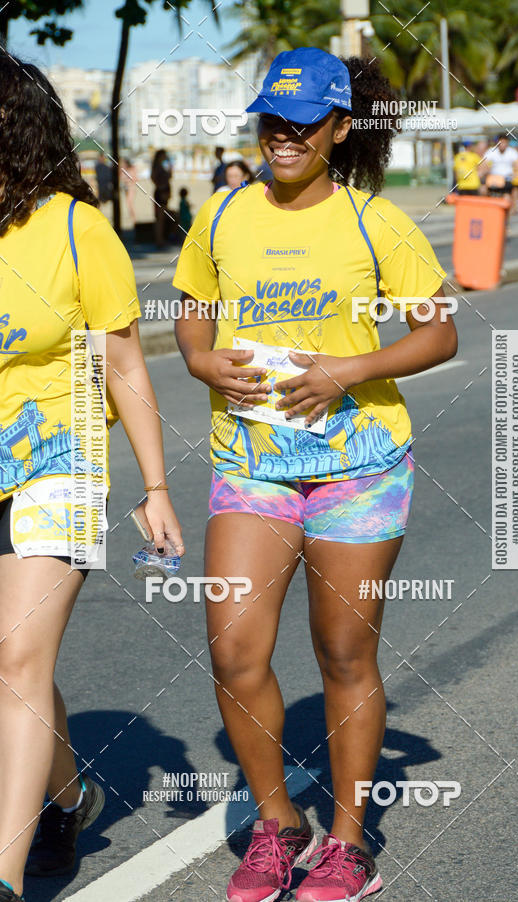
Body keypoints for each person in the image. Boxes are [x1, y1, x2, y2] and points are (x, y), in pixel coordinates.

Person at [173, 47, 457, 902]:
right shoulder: (221, 216)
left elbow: (438, 331)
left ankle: (346, 844)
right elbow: (191, 319)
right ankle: (275, 827)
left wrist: (346, 368)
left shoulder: (376, 221)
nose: (284, 135)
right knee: (234, 649)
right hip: (253, 461)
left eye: (303, 122)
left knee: (342, 652)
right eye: (272, 118)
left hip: (357, 465)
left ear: (340, 127)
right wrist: (202, 364)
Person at [0, 56, 185, 902]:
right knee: (7, 667)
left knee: (16, 657)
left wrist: (155, 488)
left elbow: (122, 366)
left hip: (61, 456)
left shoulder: (78, 230)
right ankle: (68, 796)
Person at [482, 133, 518, 198]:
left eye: (504, 142)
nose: (502, 145)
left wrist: (515, 174)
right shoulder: (491, 151)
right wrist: (486, 170)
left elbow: (516, 165)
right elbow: (484, 163)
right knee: (488, 194)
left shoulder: (512, 152)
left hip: (507, 179)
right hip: (494, 179)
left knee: (507, 198)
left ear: (507, 143)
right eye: (501, 142)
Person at [151, 149, 173, 248]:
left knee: (161, 217)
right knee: (160, 218)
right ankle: (159, 240)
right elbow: (154, 178)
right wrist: (161, 186)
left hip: (163, 192)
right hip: (161, 193)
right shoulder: (158, 167)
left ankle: (160, 239)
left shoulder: (161, 166)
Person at [120, 156, 138, 225]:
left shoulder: (132, 169)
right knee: (128, 204)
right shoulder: (123, 170)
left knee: (129, 203)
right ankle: (132, 217)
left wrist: (128, 181)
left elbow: (135, 178)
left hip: (131, 187)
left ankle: (134, 218)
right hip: (126, 188)